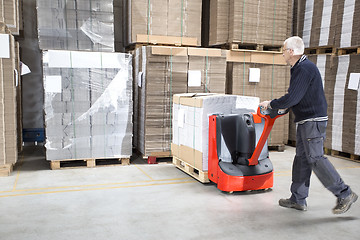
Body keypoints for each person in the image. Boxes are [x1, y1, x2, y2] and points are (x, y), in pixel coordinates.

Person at [259, 36, 357, 214]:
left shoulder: (304, 68)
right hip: (306, 120)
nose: (282, 54)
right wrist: (284, 107)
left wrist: (272, 104)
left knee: (315, 159)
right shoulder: (299, 68)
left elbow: (293, 97)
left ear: (291, 51)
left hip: (313, 121)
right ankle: (298, 199)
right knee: (302, 159)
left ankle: (345, 193)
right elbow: (297, 97)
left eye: (283, 50)